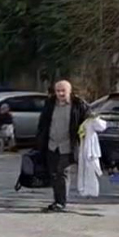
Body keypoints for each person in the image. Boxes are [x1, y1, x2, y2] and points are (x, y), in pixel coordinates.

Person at [35, 80, 90, 213]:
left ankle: (61, 202)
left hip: (68, 145)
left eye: (63, 91)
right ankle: (57, 200)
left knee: (62, 172)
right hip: (52, 144)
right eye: (58, 91)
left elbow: (88, 118)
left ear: (69, 91)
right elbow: (43, 123)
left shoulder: (78, 104)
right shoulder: (50, 103)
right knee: (53, 173)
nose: (60, 93)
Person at [77, 114, 108, 198]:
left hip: (90, 150)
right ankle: (83, 189)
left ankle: (92, 190)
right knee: (83, 170)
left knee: (91, 170)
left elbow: (102, 127)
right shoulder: (82, 121)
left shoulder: (92, 121)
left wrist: (96, 118)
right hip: (83, 148)